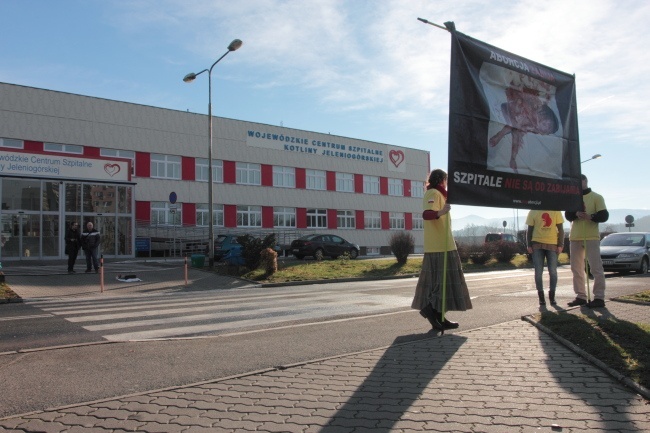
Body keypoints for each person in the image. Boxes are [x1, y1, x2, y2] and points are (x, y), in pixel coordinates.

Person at [411, 169, 473, 330]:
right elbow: (426, 214)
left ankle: (439, 316)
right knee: (443, 282)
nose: (447, 183)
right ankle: (431, 309)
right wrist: (441, 212)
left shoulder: (441, 195)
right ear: (442, 180)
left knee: (448, 283)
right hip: (439, 246)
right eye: (446, 180)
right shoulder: (432, 193)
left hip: (444, 244)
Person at [489, 85, 559, 173]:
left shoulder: (532, 126)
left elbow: (517, 137)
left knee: (517, 131)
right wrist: (518, 102)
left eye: (547, 130)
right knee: (516, 126)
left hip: (510, 117)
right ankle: (500, 135)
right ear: (541, 113)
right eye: (545, 123)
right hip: (506, 106)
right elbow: (522, 96)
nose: (545, 128)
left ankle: (512, 158)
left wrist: (513, 158)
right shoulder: (533, 107)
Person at [565, 174, 609, 308]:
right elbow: (567, 215)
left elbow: (604, 215)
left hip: (591, 236)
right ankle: (580, 296)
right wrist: (576, 214)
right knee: (576, 268)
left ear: (585, 181)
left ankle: (599, 298)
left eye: (580, 181)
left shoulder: (597, 197)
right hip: (575, 236)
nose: (578, 184)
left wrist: (591, 217)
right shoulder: (572, 198)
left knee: (596, 267)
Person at [526, 210, 564, 305]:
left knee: (553, 271)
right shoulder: (533, 211)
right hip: (537, 244)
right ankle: (541, 297)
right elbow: (529, 230)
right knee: (538, 271)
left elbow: (561, 229)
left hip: (552, 244)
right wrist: (529, 245)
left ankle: (552, 296)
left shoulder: (556, 210)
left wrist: (560, 244)